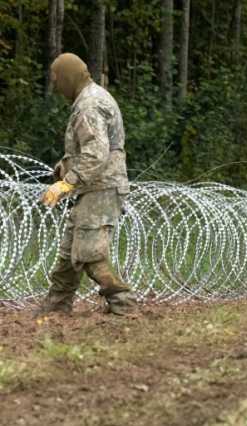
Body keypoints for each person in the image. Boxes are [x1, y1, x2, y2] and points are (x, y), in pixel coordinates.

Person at [37, 53, 136, 315]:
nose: (56, 87)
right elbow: (91, 150)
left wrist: (67, 183)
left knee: (89, 254)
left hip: (101, 188)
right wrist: (66, 166)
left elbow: (96, 153)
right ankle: (56, 308)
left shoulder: (88, 105)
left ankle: (123, 305)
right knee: (70, 252)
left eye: (57, 80)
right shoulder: (91, 97)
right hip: (96, 186)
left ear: (69, 77)